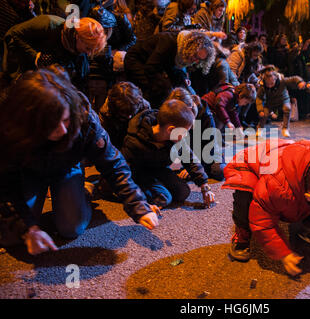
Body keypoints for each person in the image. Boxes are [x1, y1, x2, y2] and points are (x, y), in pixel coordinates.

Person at [0, 67, 160, 254]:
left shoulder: (84, 118)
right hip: (27, 172)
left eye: (65, 120)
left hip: (66, 166)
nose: (62, 130)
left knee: (71, 228)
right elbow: (5, 183)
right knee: (11, 235)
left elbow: (112, 163)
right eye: (51, 125)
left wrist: (138, 205)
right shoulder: (10, 129)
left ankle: (83, 191)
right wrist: (29, 228)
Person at [222, 139, 310, 276]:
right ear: (309, 197)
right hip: (249, 163)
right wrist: (283, 253)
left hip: (284, 158)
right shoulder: (277, 186)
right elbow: (263, 220)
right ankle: (242, 232)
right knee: (246, 198)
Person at [121, 99, 215, 208]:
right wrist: (139, 200)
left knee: (183, 192)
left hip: (159, 168)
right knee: (164, 198)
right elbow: (124, 170)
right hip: (138, 173)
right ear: (171, 130)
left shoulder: (176, 139)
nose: (185, 136)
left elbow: (190, 159)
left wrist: (204, 186)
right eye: (184, 132)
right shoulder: (134, 141)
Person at [2, 15, 106, 90]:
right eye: (88, 48)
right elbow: (13, 34)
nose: (88, 54)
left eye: (93, 51)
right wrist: (35, 57)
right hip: (17, 75)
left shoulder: (79, 52)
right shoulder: (49, 24)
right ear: (78, 37)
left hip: (39, 83)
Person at [124, 30, 216, 107]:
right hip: (135, 60)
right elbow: (151, 68)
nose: (195, 61)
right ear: (191, 48)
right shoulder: (169, 42)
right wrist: (166, 87)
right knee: (160, 89)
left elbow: (174, 69)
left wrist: (184, 80)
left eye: (199, 60)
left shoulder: (184, 50)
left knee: (178, 87)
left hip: (152, 64)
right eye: (195, 56)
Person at [168, 87, 225, 181]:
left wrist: (197, 168)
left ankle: (196, 170)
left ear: (190, 107)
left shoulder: (205, 115)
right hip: (189, 152)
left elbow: (209, 147)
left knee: (219, 171)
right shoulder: (177, 114)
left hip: (208, 153)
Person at [256, 65, 305, 138]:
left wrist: (300, 82)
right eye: (267, 84)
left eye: (271, 83)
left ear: (275, 78)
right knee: (264, 114)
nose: (269, 86)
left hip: (283, 100)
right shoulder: (262, 86)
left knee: (287, 108)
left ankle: (285, 128)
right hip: (270, 102)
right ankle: (260, 129)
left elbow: (294, 78)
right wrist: (260, 110)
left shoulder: (283, 81)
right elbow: (259, 98)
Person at [99, 81, 151, 150]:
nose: (129, 116)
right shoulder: (106, 112)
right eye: (124, 112)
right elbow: (105, 137)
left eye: (131, 112)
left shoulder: (144, 107)